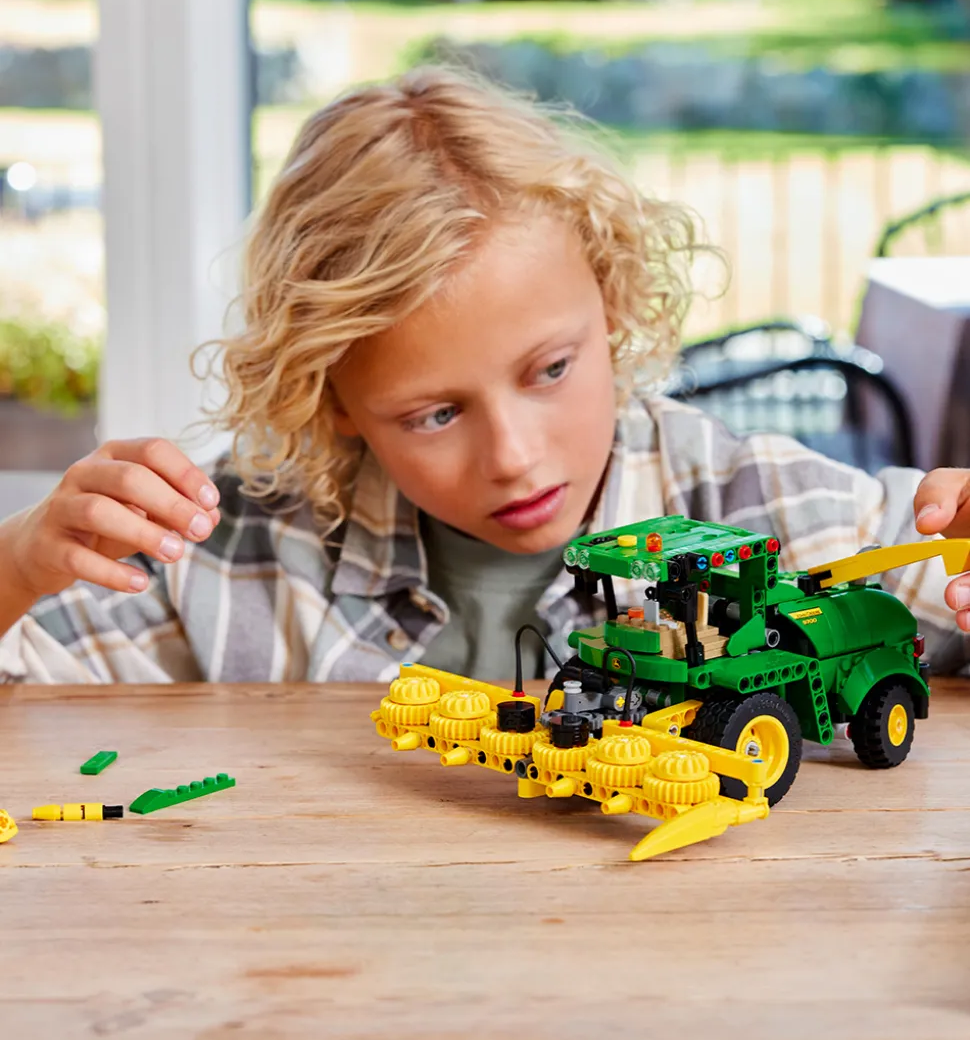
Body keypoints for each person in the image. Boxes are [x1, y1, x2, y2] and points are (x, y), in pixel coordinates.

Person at [0, 67, 968, 685]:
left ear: (611, 301)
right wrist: (16, 563)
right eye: (433, 414)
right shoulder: (230, 556)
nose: (514, 455)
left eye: (551, 369)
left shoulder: (765, 510)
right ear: (332, 402)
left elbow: (934, 594)